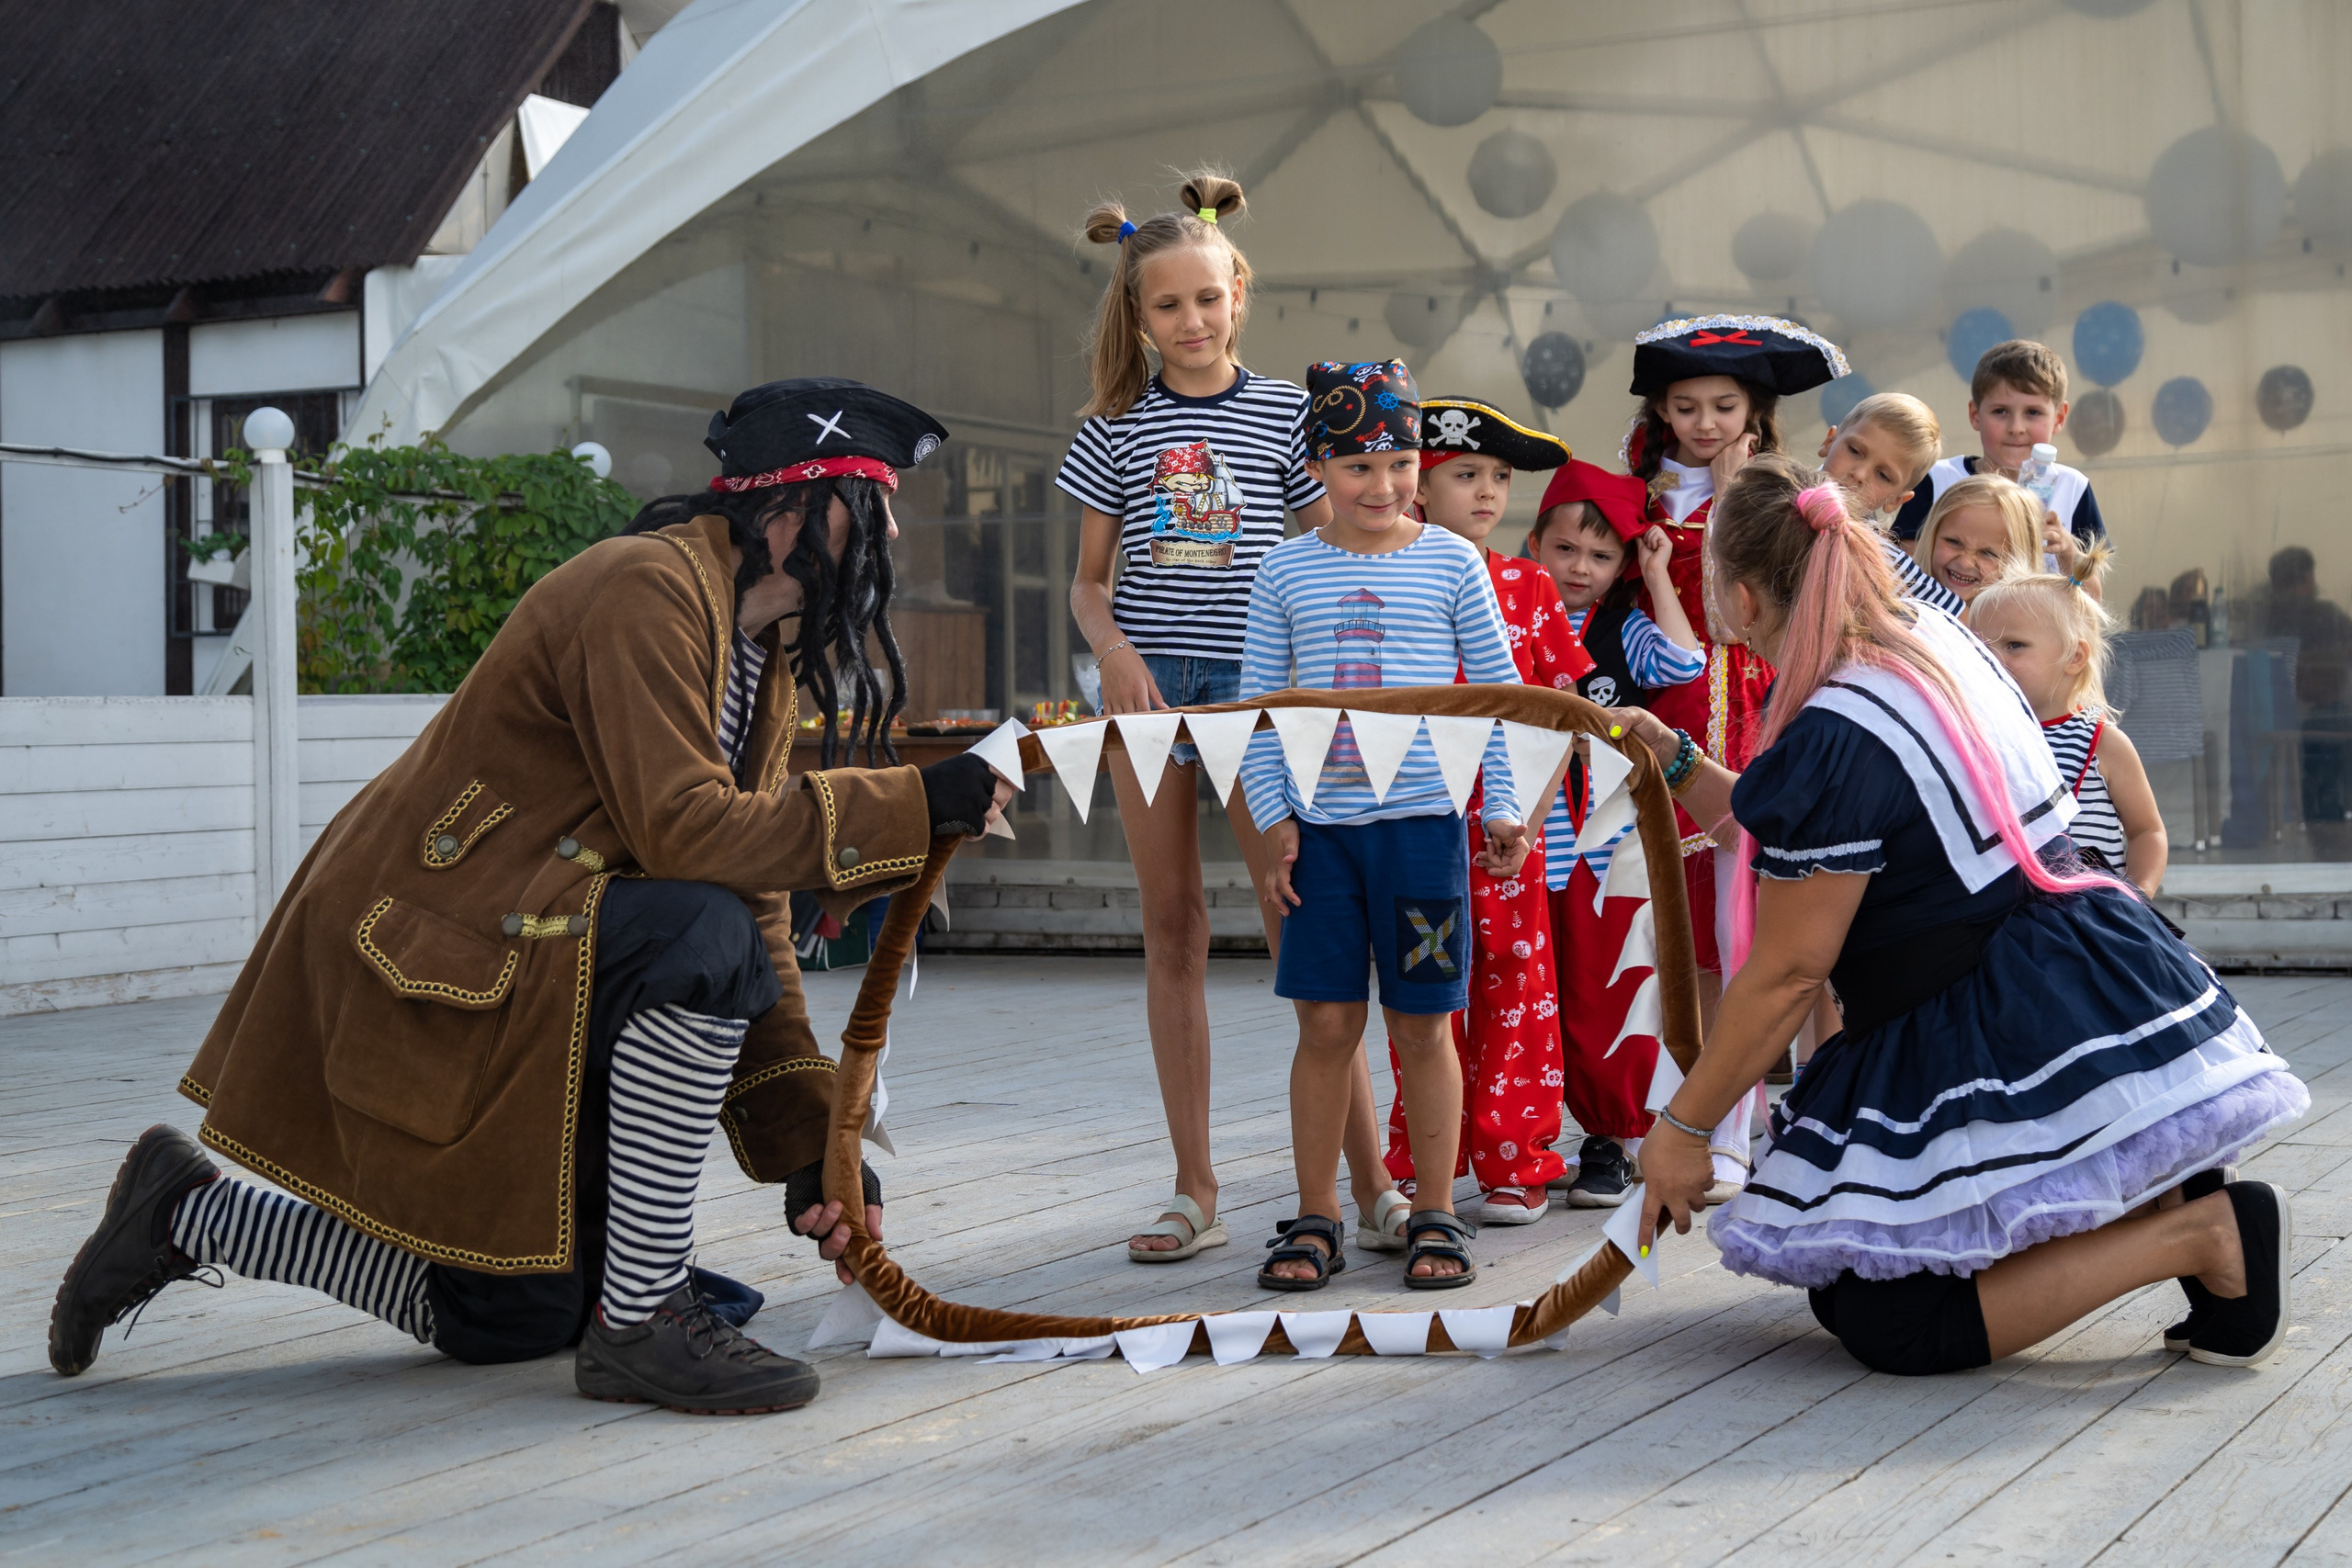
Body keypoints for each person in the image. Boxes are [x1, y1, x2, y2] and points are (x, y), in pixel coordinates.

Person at [48, 378, 1018, 1415]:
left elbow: (758, 901)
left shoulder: (756, 650)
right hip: (435, 947)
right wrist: (915, 802)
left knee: (508, 1317)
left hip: (522, 953)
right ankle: (641, 1318)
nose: (894, 527)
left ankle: (186, 1214)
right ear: (790, 511)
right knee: (698, 930)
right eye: (871, 501)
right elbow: (686, 833)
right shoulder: (644, 590)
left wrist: (807, 1147)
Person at [1623, 455, 2307, 1375]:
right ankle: (2179, 1215)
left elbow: (1789, 970)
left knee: (1890, 1320)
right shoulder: (1930, 643)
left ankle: (2201, 1236)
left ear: (1742, 598)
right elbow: (1793, 824)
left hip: (1984, 1002)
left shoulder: (1835, 724)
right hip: (2076, 965)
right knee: (1860, 1276)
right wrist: (1676, 762)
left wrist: (1683, 1129)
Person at [1058, 174, 1396, 1262]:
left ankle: (1372, 1183)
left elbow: (1323, 550)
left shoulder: (1291, 415)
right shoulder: (1114, 426)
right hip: (1151, 693)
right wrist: (1111, 651)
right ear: (1137, 315)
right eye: (1168, 306)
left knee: (1305, 924)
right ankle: (1193, 1186)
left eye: (1208, 299)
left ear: (1238, 293)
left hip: (1263, 696)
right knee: (1174, 929)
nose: (1192, 322)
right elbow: (1087, 581)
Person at [1242, 359, 1527, 1291]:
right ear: (1317, 467)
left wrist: (1506, 804)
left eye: (1398, 462)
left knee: (1421, 1022)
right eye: (1357, 466)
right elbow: (1257, 710)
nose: (1383, 485)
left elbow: (1495, 699)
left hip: (1422, 832)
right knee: (1323, 1022)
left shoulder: (1454, 561)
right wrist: (1277, 818)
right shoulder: (1285, 570)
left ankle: (1436, 1210)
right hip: (1322, 837)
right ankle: (1316, 1214)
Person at [1619, 314, 1851, 1198]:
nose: (1705, 421)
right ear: (1661, 410)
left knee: (1758, 929)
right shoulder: (1640, 495)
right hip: (1671, 719)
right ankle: (1703, 1109)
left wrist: (1732, 496)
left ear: (1755, 410)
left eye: (1724, 404)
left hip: (1761, 713)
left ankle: (1742, 1130)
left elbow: (1755, 614)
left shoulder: (1786, 492)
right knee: (1692, 940)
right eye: (1686, 405)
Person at [1378, 397, 1589, 1225]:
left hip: (1507, 829)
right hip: (1412, 821)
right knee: (1422, 991)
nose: (1490, 491)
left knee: (1518, 986)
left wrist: (1529, 821)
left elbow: (1560, 721)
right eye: (1467, 473)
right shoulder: (1386, 572)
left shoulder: (1529, 583)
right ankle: (1415, 1157)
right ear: (1418, 486)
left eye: (1500, 476)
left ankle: (1517, 1160)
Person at [1525, 461, 1703, 1207]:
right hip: (1524, 833)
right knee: (1529, 990)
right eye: (1565, 549)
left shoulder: (1623, 626)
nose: (1580, 568)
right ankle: (1516, 1142)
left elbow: (1685, 660)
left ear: (1621, 565)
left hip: (1603, 840)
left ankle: (1610, 1137)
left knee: (1606, 990)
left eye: (1601, 557)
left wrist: (1658, 574)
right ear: (1535, 543)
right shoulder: (1507, 608)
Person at [1972, 548, 2169, 895]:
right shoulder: (1977, 737)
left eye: (2014, 645)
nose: (1993, 658)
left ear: (2074, 657)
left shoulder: (2103, 744)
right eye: (1981, 647)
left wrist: (2138, 899)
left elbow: (2146, 831)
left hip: (2090, 925)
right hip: (2010, 928)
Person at [1890, 338, 2108, 556]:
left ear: (2059, 417)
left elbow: (2094, 589)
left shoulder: (2074, 488)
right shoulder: (1937, 479)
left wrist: (2068, 552)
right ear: (1975, 415)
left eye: (2033, 412)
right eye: (2000, 411)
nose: (2016, 428)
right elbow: (1904, 575)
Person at [1815, 391, 1960, 615]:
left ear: (1897, 500)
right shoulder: (1771, 494)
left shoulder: (1882, 559)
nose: (1860, 474)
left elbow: (1960, 616)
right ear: (1829, 441)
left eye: (1883, 475)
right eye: (1854, 451)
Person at [1909, 472, 2043, 608]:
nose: (1965, 563)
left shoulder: (2022, 628)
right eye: (1954, 542)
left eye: (1987, 553)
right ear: (1932, 534)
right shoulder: (1898, 603)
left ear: (2021, 560)